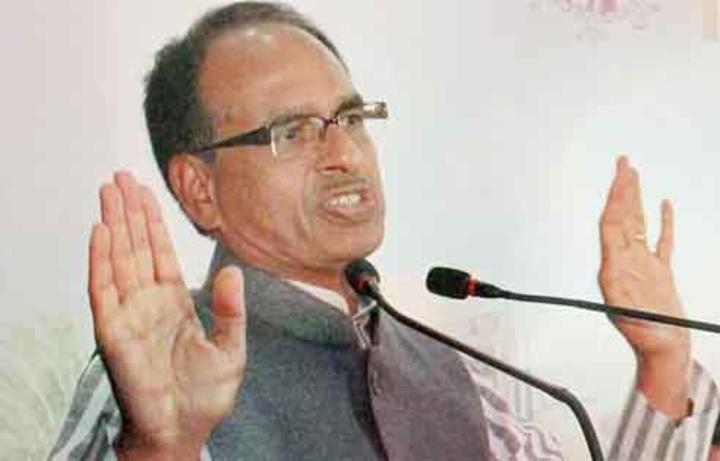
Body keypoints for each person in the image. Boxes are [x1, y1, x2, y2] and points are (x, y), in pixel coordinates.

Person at [49, 2, 719, 460]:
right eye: (293, 132)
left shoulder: (448, 367)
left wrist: (662, 360)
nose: (345, 153)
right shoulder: (155, 374)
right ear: (201, 188)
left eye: (350, 118)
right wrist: (160, 447)